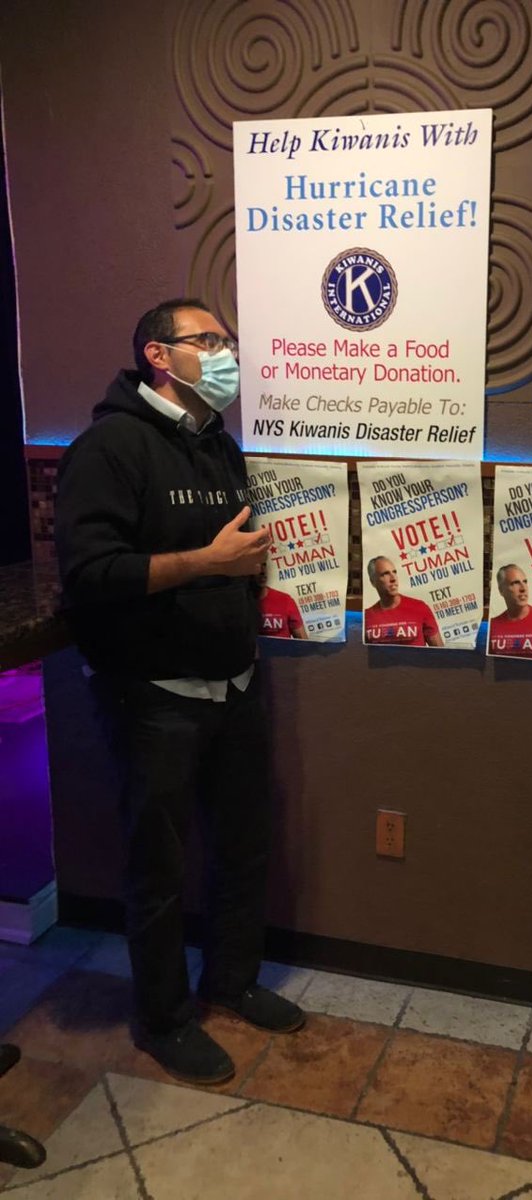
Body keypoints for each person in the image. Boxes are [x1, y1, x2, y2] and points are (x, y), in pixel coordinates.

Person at [55, 298, 306, 1087]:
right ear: (159, 356)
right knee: (158, 869)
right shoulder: (108, 447)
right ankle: (163, 1019)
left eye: (227, 341)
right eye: (209, 340)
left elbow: (234, 555)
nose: (226, 354)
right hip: (153, 695)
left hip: (234, 683)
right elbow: (90, 575)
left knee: (243, 844)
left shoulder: (216, 443)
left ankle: (230, 981)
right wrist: (206, 564)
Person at [364, 556, 443, 646]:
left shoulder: (419, 607)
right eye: (385, 574)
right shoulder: (366, 617)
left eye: (394, 572)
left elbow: (440, 651)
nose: (393, 579)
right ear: (373, 581)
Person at [258, 561, 308, 639]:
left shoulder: (285, 600)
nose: (262, 571)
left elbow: (303, 641)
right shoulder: (241, 605)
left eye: (264, 565)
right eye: (256, 566)